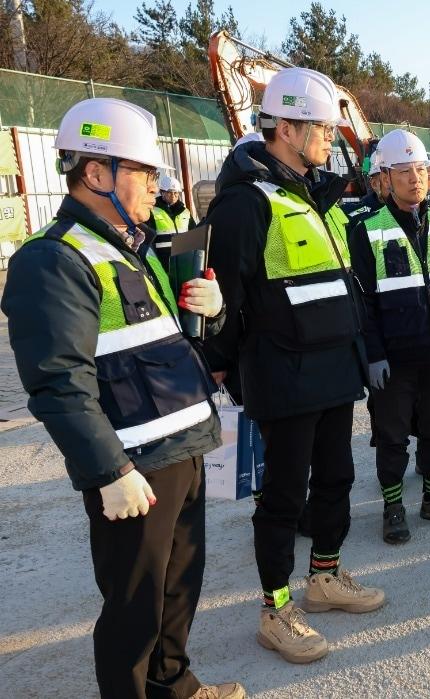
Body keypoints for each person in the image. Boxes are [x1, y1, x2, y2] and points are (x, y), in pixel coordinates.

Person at [1, 97, 242, 699]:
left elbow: (161, 342)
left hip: (182, 449)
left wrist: (208, 319)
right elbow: (59, 381)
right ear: (96, 172)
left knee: (179, 590)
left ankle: (175, 686)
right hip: (133, 467)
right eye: (144, 171)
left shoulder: (131, 245)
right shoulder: (53, 259)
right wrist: (109, 469)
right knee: (134, 609)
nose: (156, 185)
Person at [203, 67, 384, 665]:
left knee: (336, 479)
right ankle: (276, 607)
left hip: (333, 365)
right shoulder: (244, 203)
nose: (330, 137)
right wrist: (221, 366)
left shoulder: (317, 193)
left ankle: (324, 577)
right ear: (285, 127)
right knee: (283, 496)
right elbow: (224, 296)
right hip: (282, 371)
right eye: (321, 128)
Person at [350, 128, 430, 545]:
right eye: (404, 171)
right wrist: (372, 355)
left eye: (420, 169)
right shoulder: (367, 229)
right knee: (391, 436)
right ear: (385, 177)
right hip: (393, 358)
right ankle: (392, 506)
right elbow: (362, 303)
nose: (415, 179)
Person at [148, 173, 196, 269]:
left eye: (176, 193)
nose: (173, 196)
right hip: (163, 262)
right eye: (170, 192)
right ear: (162, 192)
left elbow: (194, 235)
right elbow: (149, 241)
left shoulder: (185, 212)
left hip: (185, 259)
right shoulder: (152, 211)